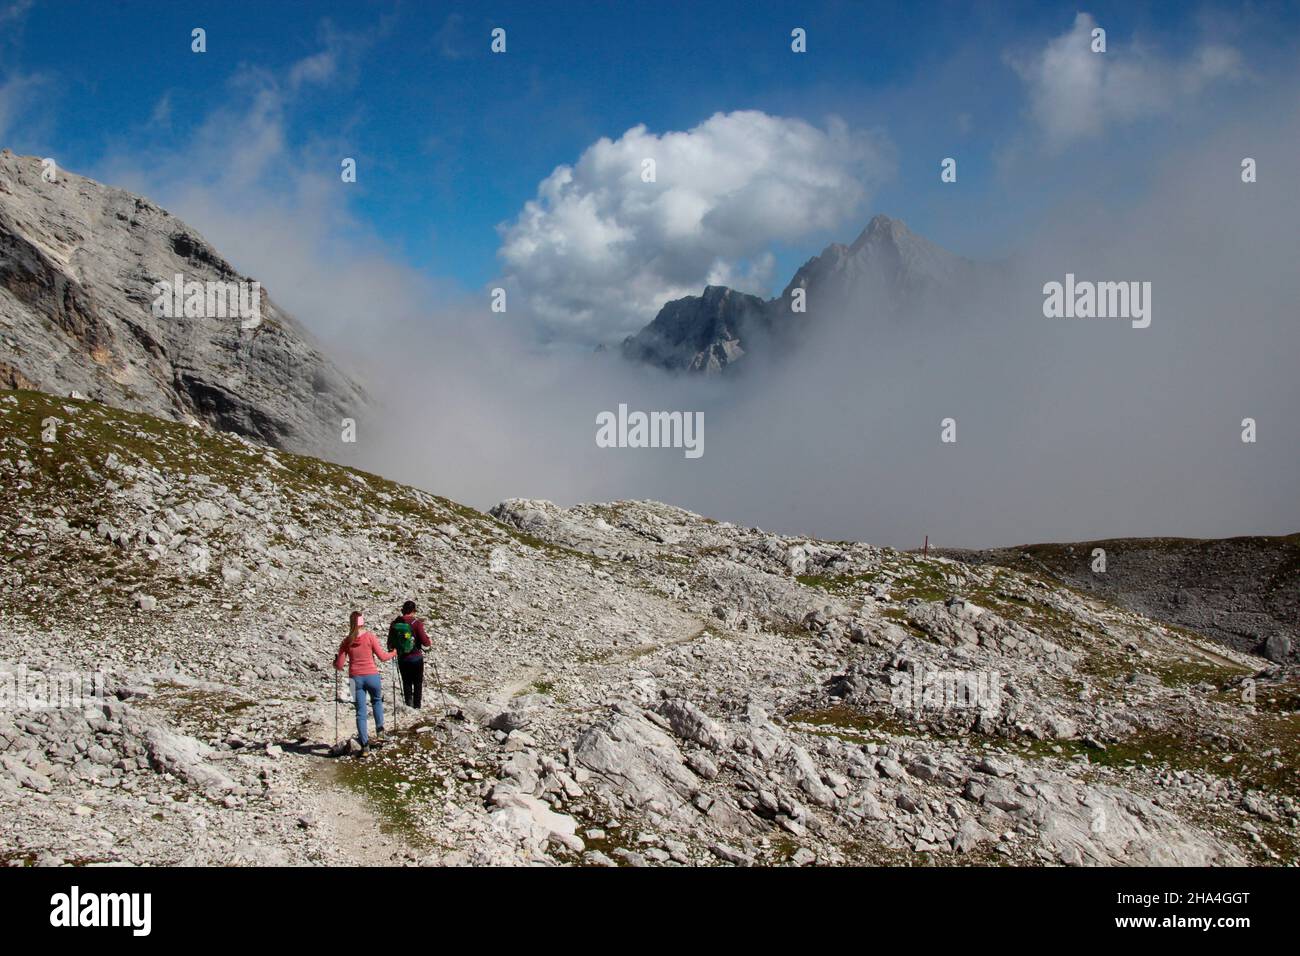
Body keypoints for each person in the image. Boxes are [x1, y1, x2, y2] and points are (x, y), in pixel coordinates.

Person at [334, 610, 396, 757]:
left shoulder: (346, 641)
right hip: (372, 675)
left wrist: (334, 662)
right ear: (363, 622)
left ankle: (365, 746)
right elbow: (382, 656)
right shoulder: (370, 637)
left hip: (355, 678)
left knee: (360, 712)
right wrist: (394, 653)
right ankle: (380, 731)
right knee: (376, 701)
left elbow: (340, 665)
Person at [388, 600, 432, 709]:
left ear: (403, 610)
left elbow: (390, 643)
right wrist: (429, 641)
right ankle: (417, 706)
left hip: (403, 658)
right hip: (416, 658)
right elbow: (425, 642)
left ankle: (408, 704)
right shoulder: (416, 624)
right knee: (417, 683)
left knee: (406, 682)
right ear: (413, 611)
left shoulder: (395, 624)